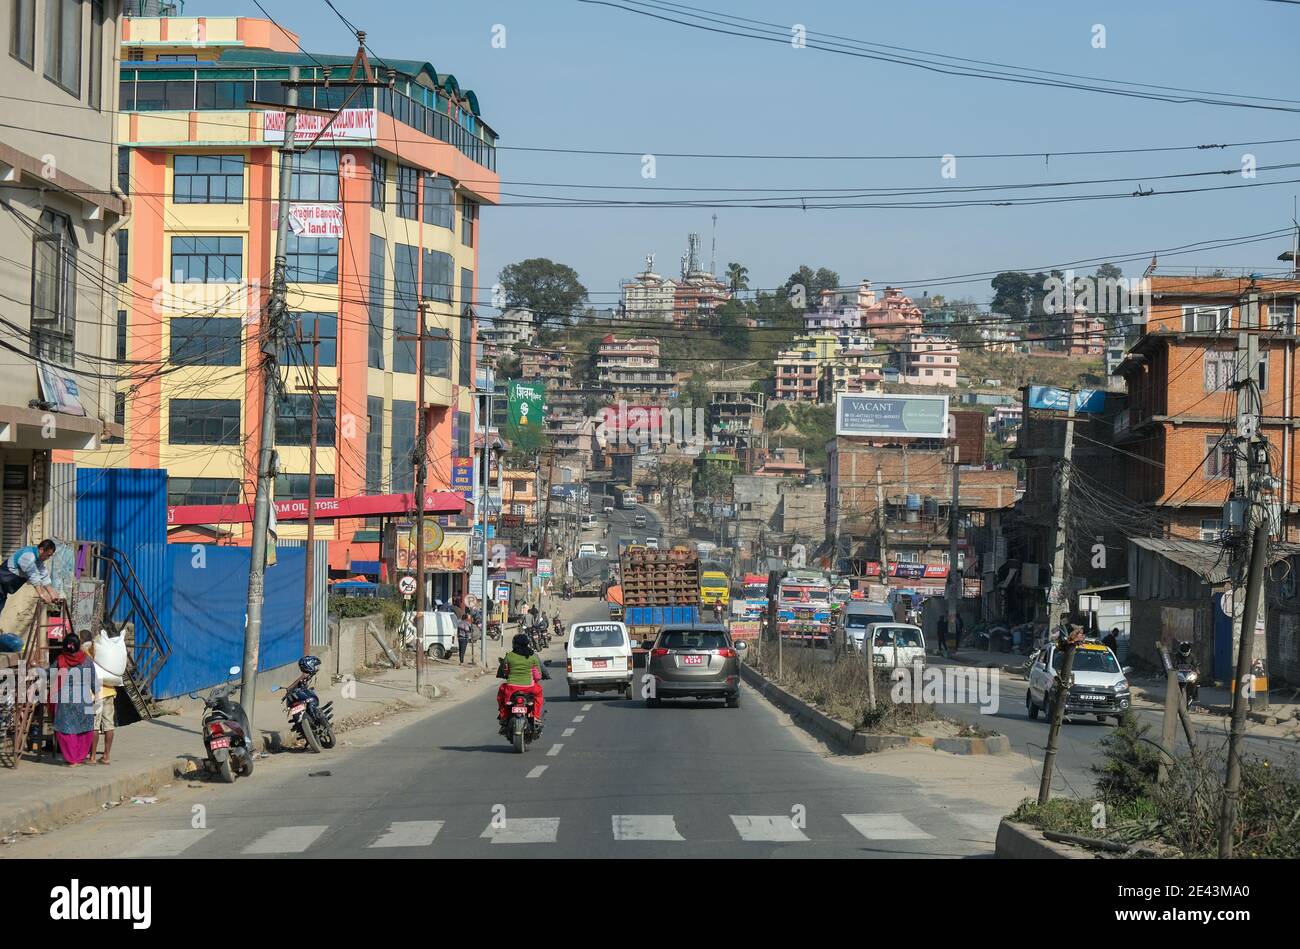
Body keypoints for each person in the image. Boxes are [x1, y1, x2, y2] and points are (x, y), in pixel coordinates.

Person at [49, 633, 97, 767]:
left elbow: (49, 673)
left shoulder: (60, 660)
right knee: (84, 727)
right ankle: (80, 757)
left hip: (66, 698)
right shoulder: (87, 660)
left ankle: (72, 759)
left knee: (65, 728)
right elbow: (93, 680)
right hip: (84, 698)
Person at [496, 633, 547, 730]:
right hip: (529, 688)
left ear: (514, 644)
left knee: (501, 695)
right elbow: (538, 675)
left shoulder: (509, 656)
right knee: (539, 694)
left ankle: (503, 716)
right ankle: (536, 716)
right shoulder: (532, 657)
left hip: (511, 688)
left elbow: (504, 670)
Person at [0, 539, 59, 616]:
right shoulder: (28, 556)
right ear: (41, 550)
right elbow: (33, 576)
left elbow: (43, 575)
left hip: (3, 589)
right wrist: (42, 595)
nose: (48, 558)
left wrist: (52, 593)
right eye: (48, 555)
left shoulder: (38, 560)